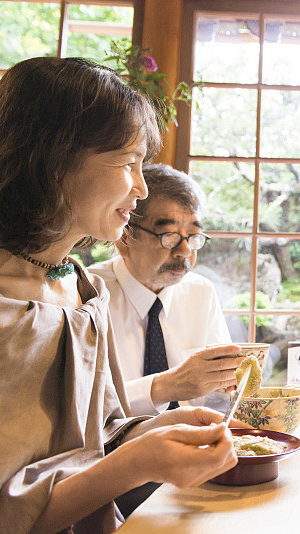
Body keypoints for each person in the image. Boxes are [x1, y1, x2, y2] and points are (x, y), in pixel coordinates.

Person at [0, 57, 237, 533]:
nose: (141, 188)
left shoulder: (80, 289)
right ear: (51, 159)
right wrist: (136, 463)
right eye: (128, 163)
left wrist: (156, 431)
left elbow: (98, 438)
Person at [90, 164, 243, 416]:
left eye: (193, 235)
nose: (184, 251)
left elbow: (222, 393)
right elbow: (82, 405)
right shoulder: (87, 294)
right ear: (124, 238)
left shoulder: (200, 292)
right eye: (169, 235)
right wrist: (167, 386)